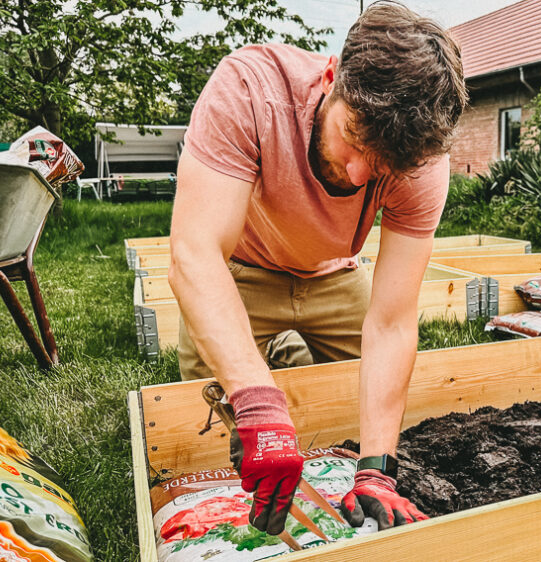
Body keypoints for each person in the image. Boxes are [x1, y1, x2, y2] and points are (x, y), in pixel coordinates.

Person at [168, 2, 467, 536]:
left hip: (335, 273)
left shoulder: (420, 161)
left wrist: (377, 471)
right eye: (353, 137)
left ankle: (287, 355)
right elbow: (194, 255)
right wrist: (258, 406)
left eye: (380, 166)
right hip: (241, 270)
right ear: (331, 78)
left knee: (384, 407)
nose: (356, 174)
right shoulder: (248, 89)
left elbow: (392, 320)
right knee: (212, 422)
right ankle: (274, 360)